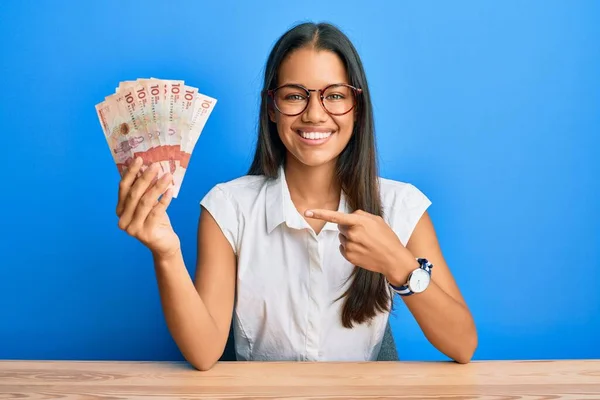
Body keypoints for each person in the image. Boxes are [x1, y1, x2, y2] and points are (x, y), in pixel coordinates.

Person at [115, 22, 477, 371]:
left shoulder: (402, 205)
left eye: (334, 95)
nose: (315, 114)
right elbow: (205, 352)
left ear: (358, 107)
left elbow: (463, 345)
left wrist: (400, 265)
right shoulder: (228, 207)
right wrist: (166, 253)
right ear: (271, 108)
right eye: (294, 96)